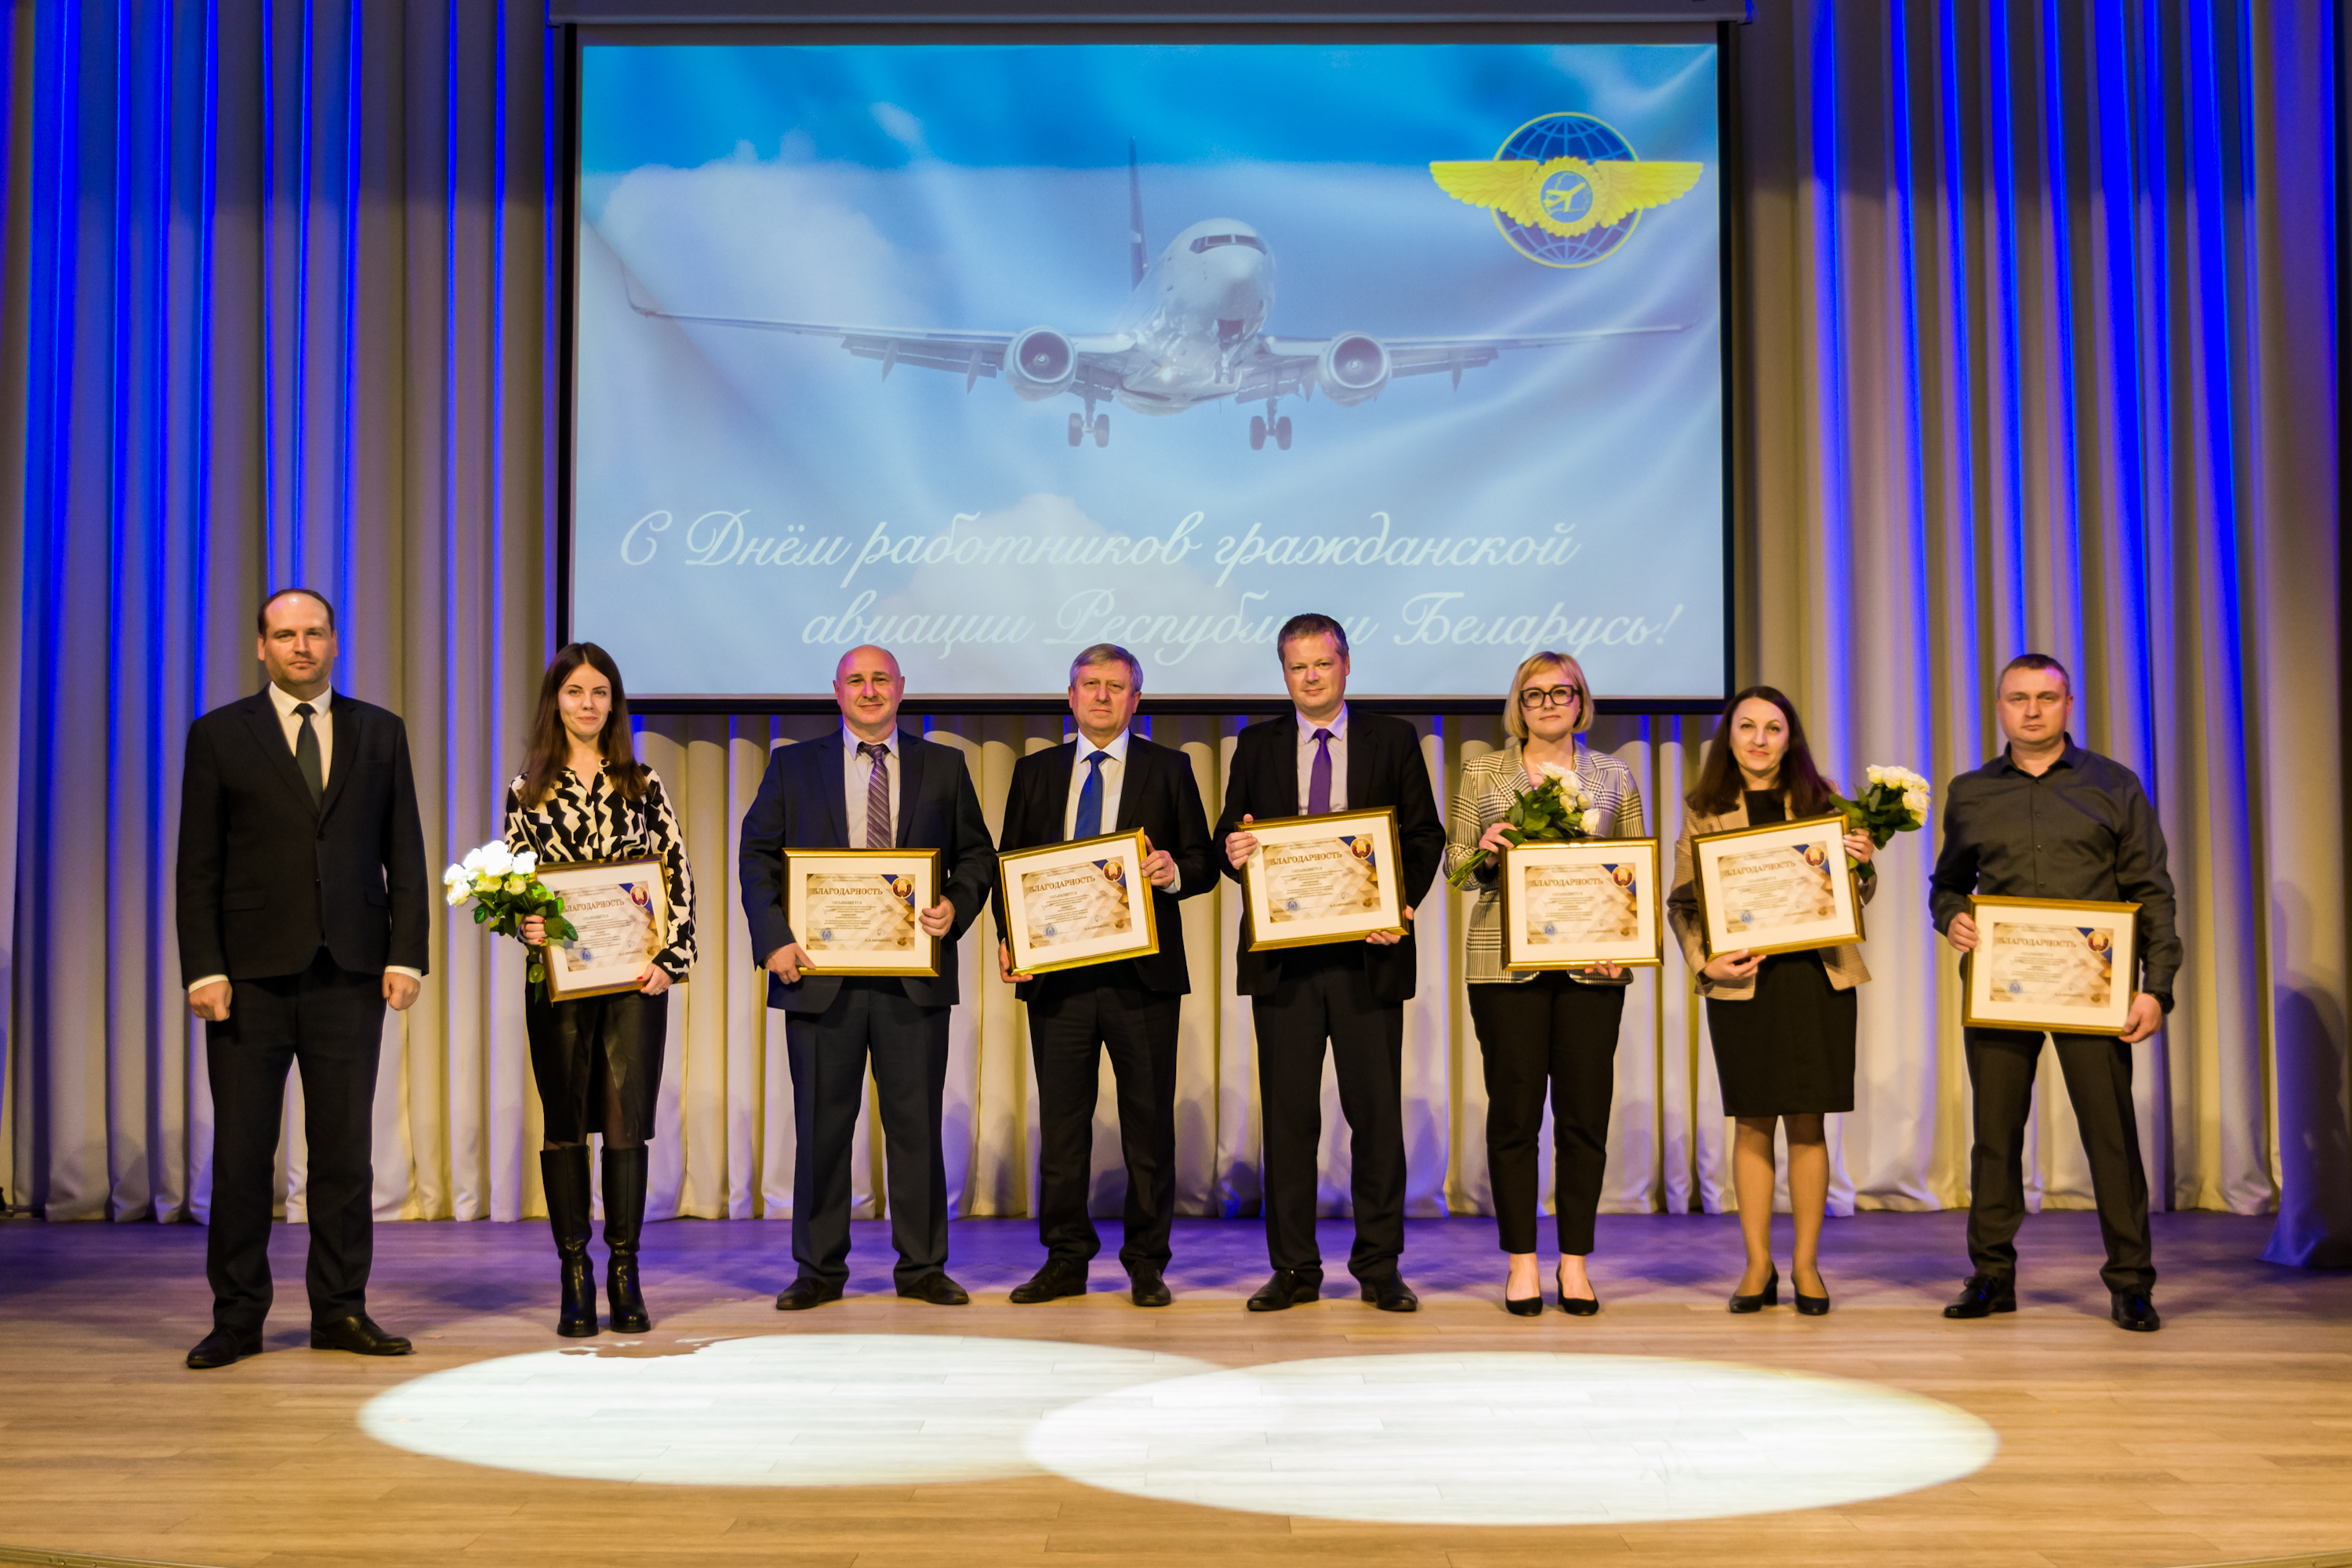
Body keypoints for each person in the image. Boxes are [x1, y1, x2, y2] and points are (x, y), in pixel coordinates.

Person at [175, 588, 429, 1370]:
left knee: (345, 1155)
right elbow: (197, 864)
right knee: (243, 1155)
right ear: (262, 646)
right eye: (285, 634)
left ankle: (341, 1310)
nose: (301, 646)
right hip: (246, 979)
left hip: (349, 973)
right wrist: (204, 967)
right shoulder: (219, 734)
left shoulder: (379, 730)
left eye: (314, 632)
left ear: (334, 641)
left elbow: (405, 851)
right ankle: (237, 1317)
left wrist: (406, 954)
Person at [739, 645, 997, 1309]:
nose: (870, 690)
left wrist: (955, 905)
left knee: (916, 1128)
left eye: (881, 679)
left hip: (914, 978)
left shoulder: (945, 765)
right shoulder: (793, 765)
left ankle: (924, 1268)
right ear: (837, 691)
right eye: (856, 680)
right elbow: (757, 855)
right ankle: (817, 1271)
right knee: (822, 1130)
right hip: (818, 979)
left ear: (902, 688)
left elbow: (977, 855)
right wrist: (773, 940)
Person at [1933, 653, 2178, 1333]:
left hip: (2092, 992)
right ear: (2000, 708)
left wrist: (2156, 989)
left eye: (2046, 697)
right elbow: (1948, 883)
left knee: (2111, 1136)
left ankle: (2131, 1284)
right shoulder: (1970, 792)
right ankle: (1991, 1276)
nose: (2032, 710)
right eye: (2018, 698)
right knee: (1995, 1136)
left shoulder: (2115, 784)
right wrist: (1951, 916)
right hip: (2000, 990)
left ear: (2069, 705)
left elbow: (2152, 892)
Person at [1214, 614, 1446, 1313]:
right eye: (1297, 667)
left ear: (1346, 666)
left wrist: (1400, 906)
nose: (1310, 677)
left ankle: (1379, 1266)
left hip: (1367, 958)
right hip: (1284, 962)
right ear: (1284, 674)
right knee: (1289, 1121)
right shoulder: (1255, 744)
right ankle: (1293, 1269)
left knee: (1375, 1118)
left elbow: (1424, 834)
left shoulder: (1392, 738)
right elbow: (1228, 834)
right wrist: (1232, 850)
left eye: (1322, 663)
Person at [993, 644, 1216, 1308]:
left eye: (1115, 687)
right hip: (1057, 979)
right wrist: (1010, 939)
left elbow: (1203, 862)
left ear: (1135, 700)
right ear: (1070, 696)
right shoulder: (1034, 772)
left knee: (1148, 1126)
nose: (1100, 696)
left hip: (1141, 979)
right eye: (1089, 685)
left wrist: (1171, 873)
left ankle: (1147, 1263)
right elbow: (1010, 865)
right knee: (1063, 1129)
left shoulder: (1170, 769)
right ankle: (1065, 1259)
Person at [503, 644, 698, 1338]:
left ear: (614, 703)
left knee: (624, 1122)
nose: (588, 704)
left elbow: (676, 873)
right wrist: (523, 923)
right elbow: (514, 887)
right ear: (555, 700)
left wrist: (673, 958)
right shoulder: (526, 789)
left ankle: (624, 1271)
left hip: (635, 980)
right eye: (575, 692)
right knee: (563, 1123)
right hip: (559, 981)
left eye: (600, 692)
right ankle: (575, 1274)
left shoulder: (643, 783)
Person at [1665, 686, 1877, 1316]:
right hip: (1744, 978)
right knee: (1753, 1120)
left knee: (1809, 1121)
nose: (1759, 739)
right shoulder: (1704, 809)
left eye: (1774, 728)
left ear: (1791, 738)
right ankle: (1757, 1264)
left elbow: (1856, 895)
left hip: (1816, 977)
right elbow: (1682, 904)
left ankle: (1807, 1265)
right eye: (1747, 727)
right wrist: (1705, 962)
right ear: (1728, 736)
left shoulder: (1825, 802)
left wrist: (1863, 864)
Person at [1445, 652, 1644, 1316]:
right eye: (1535, 694)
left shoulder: (1614, 775)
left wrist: (1624, 944)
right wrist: (1485, 851)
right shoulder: (1482, 772)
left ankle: (1576, 1263)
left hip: (1593, 967)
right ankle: (1522, 1262)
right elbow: (1456, 865)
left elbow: (1632, 870)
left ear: (1581, 701)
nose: (1549, 704)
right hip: (1504, 966)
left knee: (1584, 1118)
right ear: (1518, 705)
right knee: (1514, 1118)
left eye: (1562, 692)